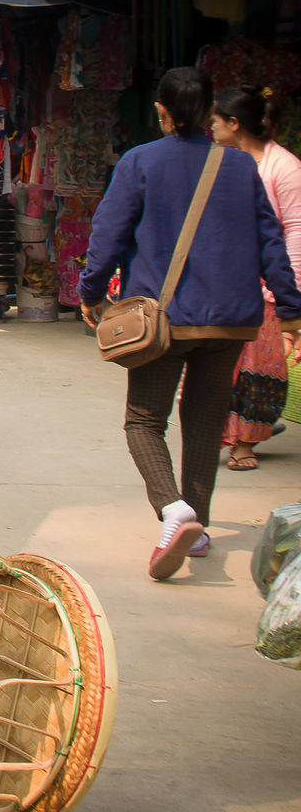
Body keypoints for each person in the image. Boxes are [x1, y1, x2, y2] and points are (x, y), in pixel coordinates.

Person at [81, 67, 301, 579]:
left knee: (143, 421)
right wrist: (289, 309)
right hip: (229, 322)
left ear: (160, 110)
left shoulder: (139, 163)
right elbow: (271, 241)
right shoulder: (241, 167)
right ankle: (196, 526)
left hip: (163, 322)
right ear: (208, 114)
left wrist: (91, 292)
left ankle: (173, 510)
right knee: (204, 422)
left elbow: (108, 234)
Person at [211, 84, 301, 472]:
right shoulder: (220, 161)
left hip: (266, 287)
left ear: (234, 123)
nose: (209, 128)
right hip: (221, 282)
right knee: (215, 365)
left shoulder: (284, 167)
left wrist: (291, 294)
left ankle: (244, 441)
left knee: (260, 369)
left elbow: (295, 229)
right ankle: (217, 434)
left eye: (215, 121)